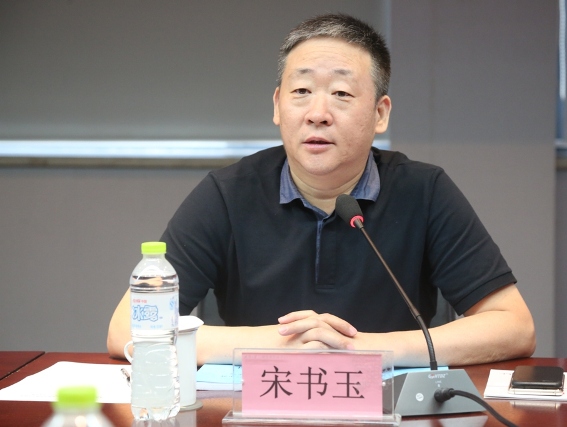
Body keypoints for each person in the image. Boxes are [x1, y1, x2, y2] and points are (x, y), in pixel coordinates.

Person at [107, 13, 535, 367]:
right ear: (278, 106)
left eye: (342, 93)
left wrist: (367, 349)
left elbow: (513, 325)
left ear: (380, 113)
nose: (318, 113)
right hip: (256, 408)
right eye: (301, 91)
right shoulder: (228, 193)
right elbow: (127, 329)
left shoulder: (423, 191)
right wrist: (274, 344)